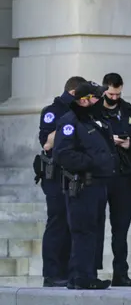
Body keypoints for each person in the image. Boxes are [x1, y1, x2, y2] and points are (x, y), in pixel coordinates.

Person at [52, 81, 116, 290]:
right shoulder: (70, 121)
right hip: (82, 185)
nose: (101, 101)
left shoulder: (93, 120)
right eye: (97, 97)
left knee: (94, 232)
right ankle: (80, 276)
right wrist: (91, 162)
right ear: (84, 100)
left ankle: (89, 275)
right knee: (83, 231)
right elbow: (63, 154)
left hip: (98, 184)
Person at [95, 73, 131, 286]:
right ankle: (91, 272)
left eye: (117, 94)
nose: (114, 98)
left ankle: (121, 273)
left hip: (123, 175)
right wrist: (109, 141)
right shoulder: (94, 110)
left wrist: (129, 145)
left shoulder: (127, 111)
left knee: (121, 229)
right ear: (103, 90)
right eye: (110, 94)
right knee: (95, 226)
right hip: (100, 176)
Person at [36, 76, 87, 287]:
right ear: (74, 93)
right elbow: (47, 143)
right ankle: (52, 272)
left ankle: (69, 271)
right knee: (57, 222)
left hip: (74, 174)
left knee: (70, 223)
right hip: (55, 175)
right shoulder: (53, 111)